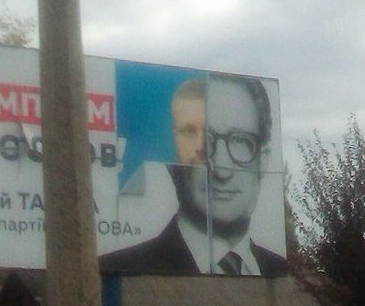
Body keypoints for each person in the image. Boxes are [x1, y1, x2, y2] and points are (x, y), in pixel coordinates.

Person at [100, 74, 288, 276]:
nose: (222, 171)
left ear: (264, 158)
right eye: (202, 139)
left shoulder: (283, 274)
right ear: (171, 154)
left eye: (241, 141)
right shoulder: (118, 268)